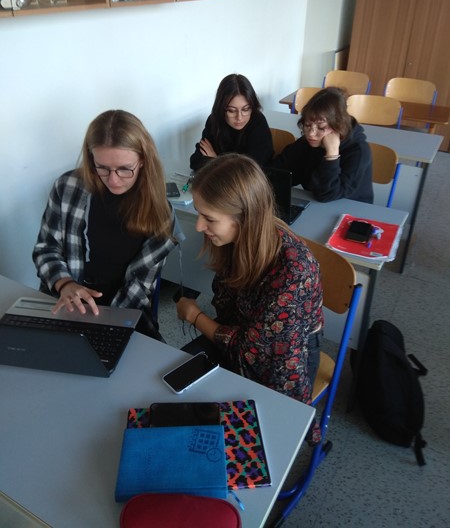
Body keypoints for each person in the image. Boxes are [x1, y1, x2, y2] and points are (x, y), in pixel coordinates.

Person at [176, 154, 324, 418]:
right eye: (199, 213)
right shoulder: (237, 240)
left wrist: (195, 316)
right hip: (241, 332)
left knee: (257, 424)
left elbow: (252, 353)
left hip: (286, 354)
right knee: (176, 385)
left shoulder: (294, 271)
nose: (199, 226)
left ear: (244, 217)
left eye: (209, 218)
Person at [33, 109, 181, 338]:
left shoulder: (160, 213)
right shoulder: (67, 187)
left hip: (124, 308)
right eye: (101, 167)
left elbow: (140, 285)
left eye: (124, 169)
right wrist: (65, 283)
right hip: (66, 302)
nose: (113, 180)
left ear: (143, 160)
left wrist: (103, 323)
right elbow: (46, 249)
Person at [271, 87, 373, 203]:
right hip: (316, 203)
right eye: (307, 125)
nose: (311, 133)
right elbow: (278, 171)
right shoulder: (307, 143)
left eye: (321, 127)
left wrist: (332, 154)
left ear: (339, 126)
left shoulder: (358, 151)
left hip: (352, 208)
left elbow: (327, 194)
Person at [189, 74, 274, 171]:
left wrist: (216, 161)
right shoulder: (214, 120)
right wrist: (224, 165)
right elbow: (195, 161)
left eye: (246, 109)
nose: (239, 117)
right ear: (221, 108)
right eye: (231, 110)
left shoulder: (258, 123)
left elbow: (249, 172)